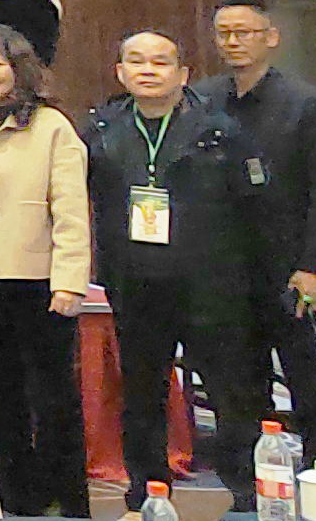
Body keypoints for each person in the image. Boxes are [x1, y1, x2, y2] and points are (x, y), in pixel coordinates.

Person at [86, 31, 257, 491]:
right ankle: (146, 492)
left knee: (229, 393)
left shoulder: (219, 132)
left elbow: (253, 208)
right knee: (142, 393)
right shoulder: (100, 130)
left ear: (183, 75)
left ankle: (246, 495)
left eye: (160, 62)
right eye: (136, 61)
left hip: (209, 282)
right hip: (135, 280)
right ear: (120, 72)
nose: (148, 71)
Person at [198, 0, 316, 472]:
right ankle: (247, 484)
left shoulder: (310, 105)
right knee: (237, 384)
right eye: (224, 33)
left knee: (310, 382)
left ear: (271, 37)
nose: (233, 42)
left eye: (244, 32)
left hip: (290, 267)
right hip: (226, 269)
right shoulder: (203, 100)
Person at [0, 25, 91, 519]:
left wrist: (69, 282)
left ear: (19, 69)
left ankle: (67, 503)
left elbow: (71, 211)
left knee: (52, 399)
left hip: (38, 281)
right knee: (0, 395)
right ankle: (15, 499)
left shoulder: (51, 126)